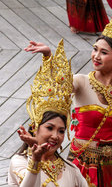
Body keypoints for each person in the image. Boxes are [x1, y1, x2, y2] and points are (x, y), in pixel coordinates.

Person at [24, 0, 112, 186]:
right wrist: (49, 56)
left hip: (111, 168)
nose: (96, 55)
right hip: (80, 167)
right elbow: (57, 84)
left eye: (104, 52)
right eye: (95, 49)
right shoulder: (81, 82)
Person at [8, 40, 90, 186]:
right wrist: (35, 159)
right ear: (34, 127)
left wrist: (49, 57)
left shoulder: (71, 170)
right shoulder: (19, 162)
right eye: (50, 128)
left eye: (61, 131)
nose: (55, 136)